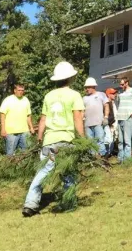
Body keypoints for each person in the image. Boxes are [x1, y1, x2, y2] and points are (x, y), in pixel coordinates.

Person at [22, 61, 85, 217]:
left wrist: (39, 138)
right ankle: (68, 202)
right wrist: (83, 139)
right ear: (71, 78)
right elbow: (78, 119)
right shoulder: (75, 95)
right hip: (66, 140)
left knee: (43, 172)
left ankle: (30, 204)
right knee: (68, 171)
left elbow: (43, 119)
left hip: (49, 140)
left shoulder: (49, 96)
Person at [112, 76, 132, 163]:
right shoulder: (120, 93)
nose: (121, 86)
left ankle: (127, 161)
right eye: (120, 84)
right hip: (120, 118)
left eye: (122, 84)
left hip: (128, 118)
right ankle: (120, 160)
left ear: (127, 83)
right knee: (120, 141)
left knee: (127, 141)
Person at [0, 82, 34, 156]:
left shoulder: (25, 100)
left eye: (22, 90)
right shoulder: (8, 100)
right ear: (15, 90)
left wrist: (31, 127)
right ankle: (9, 167)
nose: (21, 92)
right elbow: (2, 115)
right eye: (19, 90)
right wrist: (2, 129)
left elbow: (28, 115)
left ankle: (24, 167)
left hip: (25, 131)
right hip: (11, 132)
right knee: (10, 154)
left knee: (27, 152)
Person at [81, 76, 109, 155]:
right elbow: (82, 111)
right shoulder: (84, 98)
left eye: (88, 87)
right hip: (87, 125)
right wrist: (81, 122)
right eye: (86, 87)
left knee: (100, 141)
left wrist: (106, 117)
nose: (87, 89)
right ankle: (94, 159)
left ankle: (102, 158)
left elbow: (106, 106)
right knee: (91, 143)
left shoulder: (101, 94)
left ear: (93, 86)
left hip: (98, 123)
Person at [103, 87, 117, 156]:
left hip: (111, 123)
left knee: (112, 139)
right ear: (108, 95)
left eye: (115, 93)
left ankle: (109, 154)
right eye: (113, 93)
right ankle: (105, 155)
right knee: (108, 139)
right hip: (106, 124)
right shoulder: (106, 103)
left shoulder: (113, 103)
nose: (115, 94)